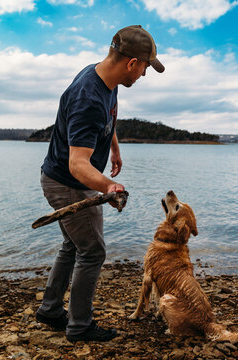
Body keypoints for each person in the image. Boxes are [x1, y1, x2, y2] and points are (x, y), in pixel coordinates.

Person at [35, 25, 165, 343]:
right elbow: (77, 164)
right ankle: (79, 327)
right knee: (93, 251)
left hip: (64, 179)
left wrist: (114, 147)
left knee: (73, 245)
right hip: (67, 183)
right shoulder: (87, 97)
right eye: (146, 67)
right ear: (131, 63)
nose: (146, 74)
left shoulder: (108, 78)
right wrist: (108, 186)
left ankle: (51, 309)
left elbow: (109, 115)